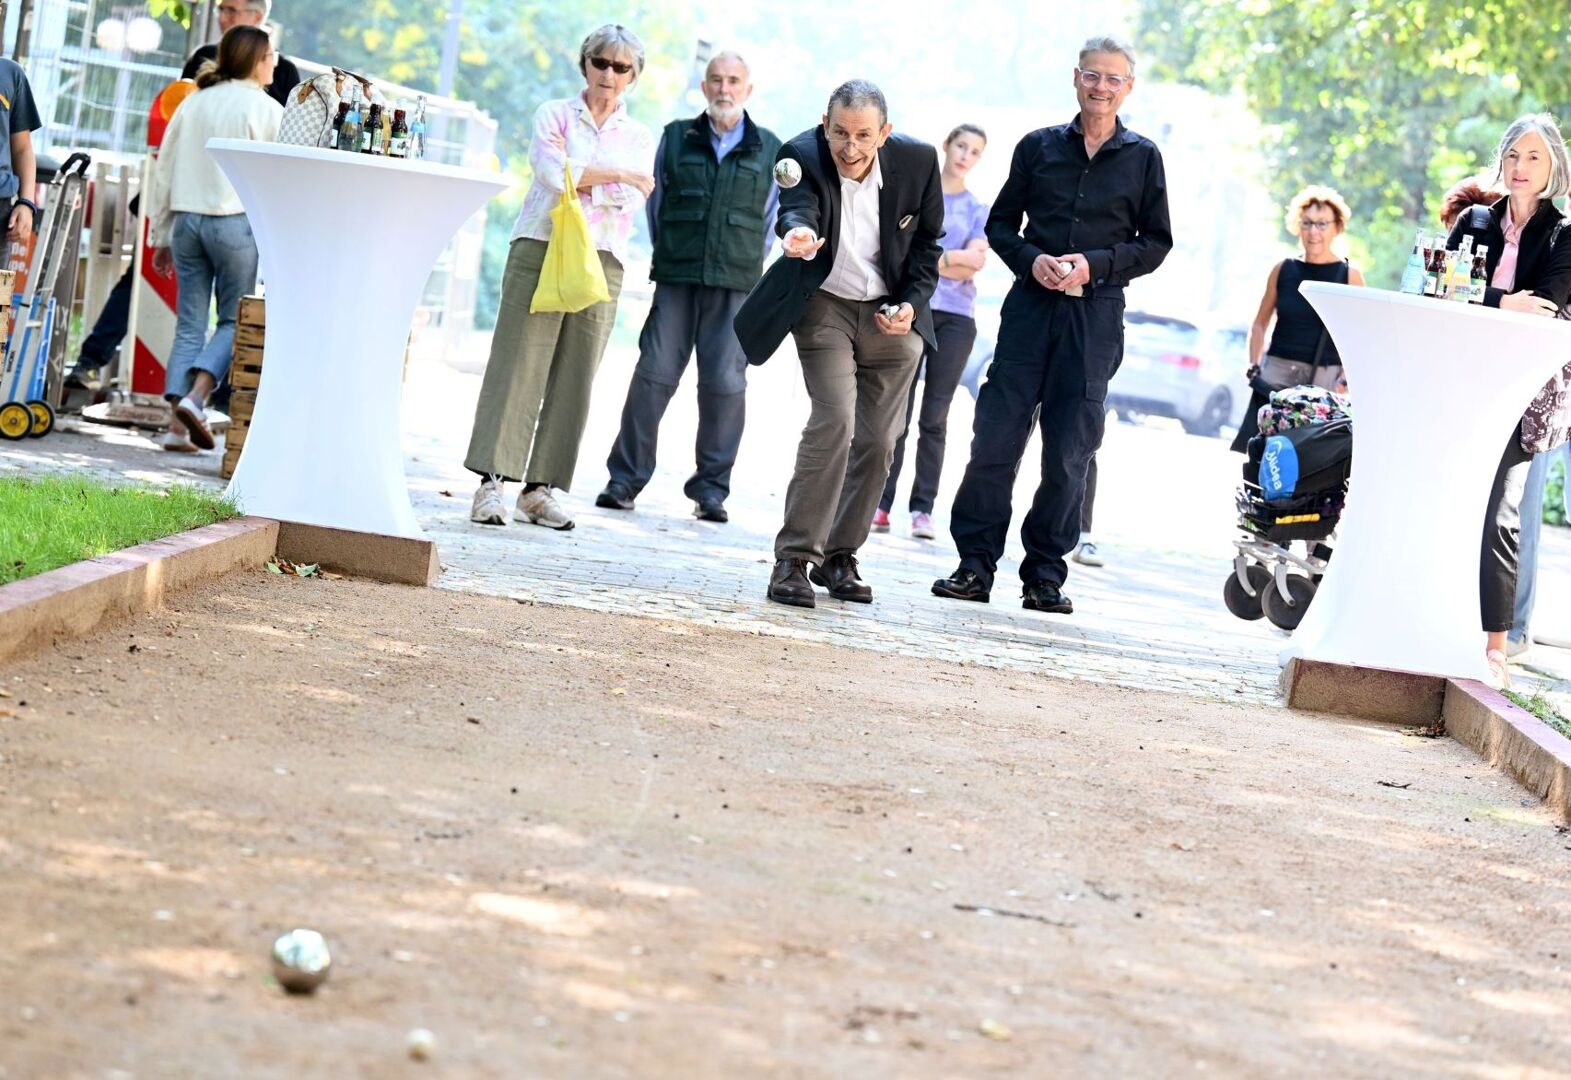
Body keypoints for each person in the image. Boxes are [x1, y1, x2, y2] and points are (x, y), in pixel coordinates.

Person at [933, 36, 1172, 613]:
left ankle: (1045, 575)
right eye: (1093, 75)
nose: (1101, 87)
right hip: (1028, 315)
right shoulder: (1037, 147)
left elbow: (1156, 242)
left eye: (1114, 79)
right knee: (994, 438)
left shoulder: (1144, 158)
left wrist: (1095, 266)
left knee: (1070, 453)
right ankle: (974, 565)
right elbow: (1001, 226)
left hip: (1094, 320)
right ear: (1076, 78)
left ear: (1128, 88)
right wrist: (1030, 260)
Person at [733, 79, 943, 608]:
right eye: (840, 133)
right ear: (825, 126)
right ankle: (794, 559)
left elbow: (926, 245)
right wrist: (797, 235)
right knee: (835, 421)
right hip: (824, 304)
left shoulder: (918, 161)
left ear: (885, 133)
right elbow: (795, 206)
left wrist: (912, 306)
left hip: (891, 313)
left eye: (863, 136)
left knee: (879, 440)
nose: (850, 148)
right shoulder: (801, 154)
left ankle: (840, 556)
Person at [466, 25, 655, 531]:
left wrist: (594, 175)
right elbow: (554, 173)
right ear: (585, 63)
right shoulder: (553, 114)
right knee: (517, 363)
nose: (608, 74)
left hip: (604, 256)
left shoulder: (639, 136)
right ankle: (492, 483)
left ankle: (539, 489)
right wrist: (617, 175)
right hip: (541, 244)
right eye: (601, 62)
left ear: (634, 76)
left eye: (621, 67)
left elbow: (632, 198)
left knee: (577, 374)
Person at [595, 51, 780, 523]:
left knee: (724, 384)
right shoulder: (675, 137)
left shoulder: (771, 148)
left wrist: (743, 264)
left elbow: (770, 221)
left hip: (735, 284)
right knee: (653, 374)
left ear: (748, 89)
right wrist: (675, 253)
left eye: (733, 80)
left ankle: (711, 490)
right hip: (677, 278)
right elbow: (654, 208)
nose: (724, 88)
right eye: (716, 80)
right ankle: (624, 480)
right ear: (704, 87)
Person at [1443, 114, 1571, 685]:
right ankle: (1441, 618)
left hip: (1525, 390)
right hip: (1460, 376)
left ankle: (1496, 644)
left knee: (1500, 509)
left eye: (1534, 158)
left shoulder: (1565, 233)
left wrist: (1485, 298)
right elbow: (1444, 289)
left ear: (1552, 170)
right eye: (1513, 156)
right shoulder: (1474, 220)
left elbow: (1548, 304)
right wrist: (1500, 302)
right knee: (1450, 501)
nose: (1520, 168)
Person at [146, 25, 281, 452]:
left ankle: (176, 428)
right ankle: (197, 397)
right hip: (234, 224)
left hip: (186, 223)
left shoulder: (194, 102)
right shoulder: (266, 109)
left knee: (189, 322)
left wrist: (160, 233)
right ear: (256, 60)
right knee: (232, 319)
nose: (275, 61)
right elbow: (280, 175)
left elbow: (164, 167)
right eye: (270, 54)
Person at [868, 122, 989, 542]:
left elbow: (976, 262)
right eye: (961, 146)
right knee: (896, 411)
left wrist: (930, 258)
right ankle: (880, 503)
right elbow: (901, 250)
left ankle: (922, 508)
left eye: (975, 152)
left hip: (957, 318)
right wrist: (945, 261)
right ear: (946, 145)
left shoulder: (977, 208)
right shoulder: (922, 192)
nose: (965, 156)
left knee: (935, 417)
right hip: (913, 310)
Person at [1230, 186, 1365, 454]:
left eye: (1321, 224)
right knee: (1262, 449)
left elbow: (1359, 333)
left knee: (1310, 455)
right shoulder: (1284, 269)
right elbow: (1260, 322)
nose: (1313, 231)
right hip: (1277, 372)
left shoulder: (1349, 275)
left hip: (1324, 378)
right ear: (1297, 226)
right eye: (1307, 223)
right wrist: (1254, 364)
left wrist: (1347, 377)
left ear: (1336, 227)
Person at [181, 0, 300, 108]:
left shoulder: (285, 72)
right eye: (221, 9)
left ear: (257, 17)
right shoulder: (203, 56)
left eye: (231, 11)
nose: (222, 18)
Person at [0, 56, 40, 247]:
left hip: (2, 209)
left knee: (4, 277)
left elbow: (23, 149)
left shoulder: (11, 73)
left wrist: (26, 202)